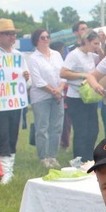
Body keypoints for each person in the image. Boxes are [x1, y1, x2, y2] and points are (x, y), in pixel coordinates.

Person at [0, 19, 29, 184]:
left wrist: (26, 78)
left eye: (13, 33)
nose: (12, 37)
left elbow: (26, 81)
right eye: (8, 33)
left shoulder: (18, 55)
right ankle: (4, 171)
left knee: (12, 135)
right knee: (1, 134)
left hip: (14, 102)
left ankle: (9, 168)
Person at [60, 30, 106, 160]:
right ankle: (79, 159)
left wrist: (101, 47)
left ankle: (89, 157)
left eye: (98, 44)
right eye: (95, 43)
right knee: (81, 130)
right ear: (86, 41)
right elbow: (63, 73)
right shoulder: (74, 55)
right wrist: (83, 75)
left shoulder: (91, 55)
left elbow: (104, 62)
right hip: (76, 97)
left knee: (93, 130)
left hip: (89, 97)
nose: (96, 46)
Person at [27, 28, 66, 168]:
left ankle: (52, 156)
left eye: (47, 37)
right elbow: (38, 81)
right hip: (41, 97)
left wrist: (60, 89)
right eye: (42, 37)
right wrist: (53, 91)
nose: (46, 40)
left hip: (58, 95)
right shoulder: (33, 58)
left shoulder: (56, 55)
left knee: (56, 127)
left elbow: (63, 73)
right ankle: (43, 157)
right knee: (42, 127)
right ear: (36, 40)